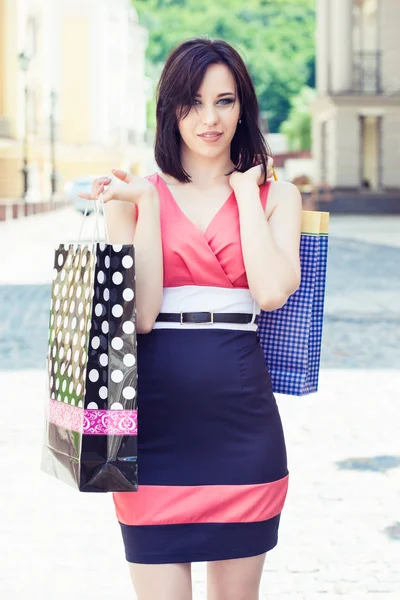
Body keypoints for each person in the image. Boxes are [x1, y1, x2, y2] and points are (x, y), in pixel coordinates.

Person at [80, 37, 301, 600]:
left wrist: (246, 193)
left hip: (241, 425)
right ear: (169, 109)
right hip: (151, 427)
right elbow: (145, 314)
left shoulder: (278, 196)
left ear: (243, 108)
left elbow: (272, 290)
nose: (210, 119)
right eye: (192, 102)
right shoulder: (135, 196)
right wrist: (148, 206)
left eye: (224, 101)